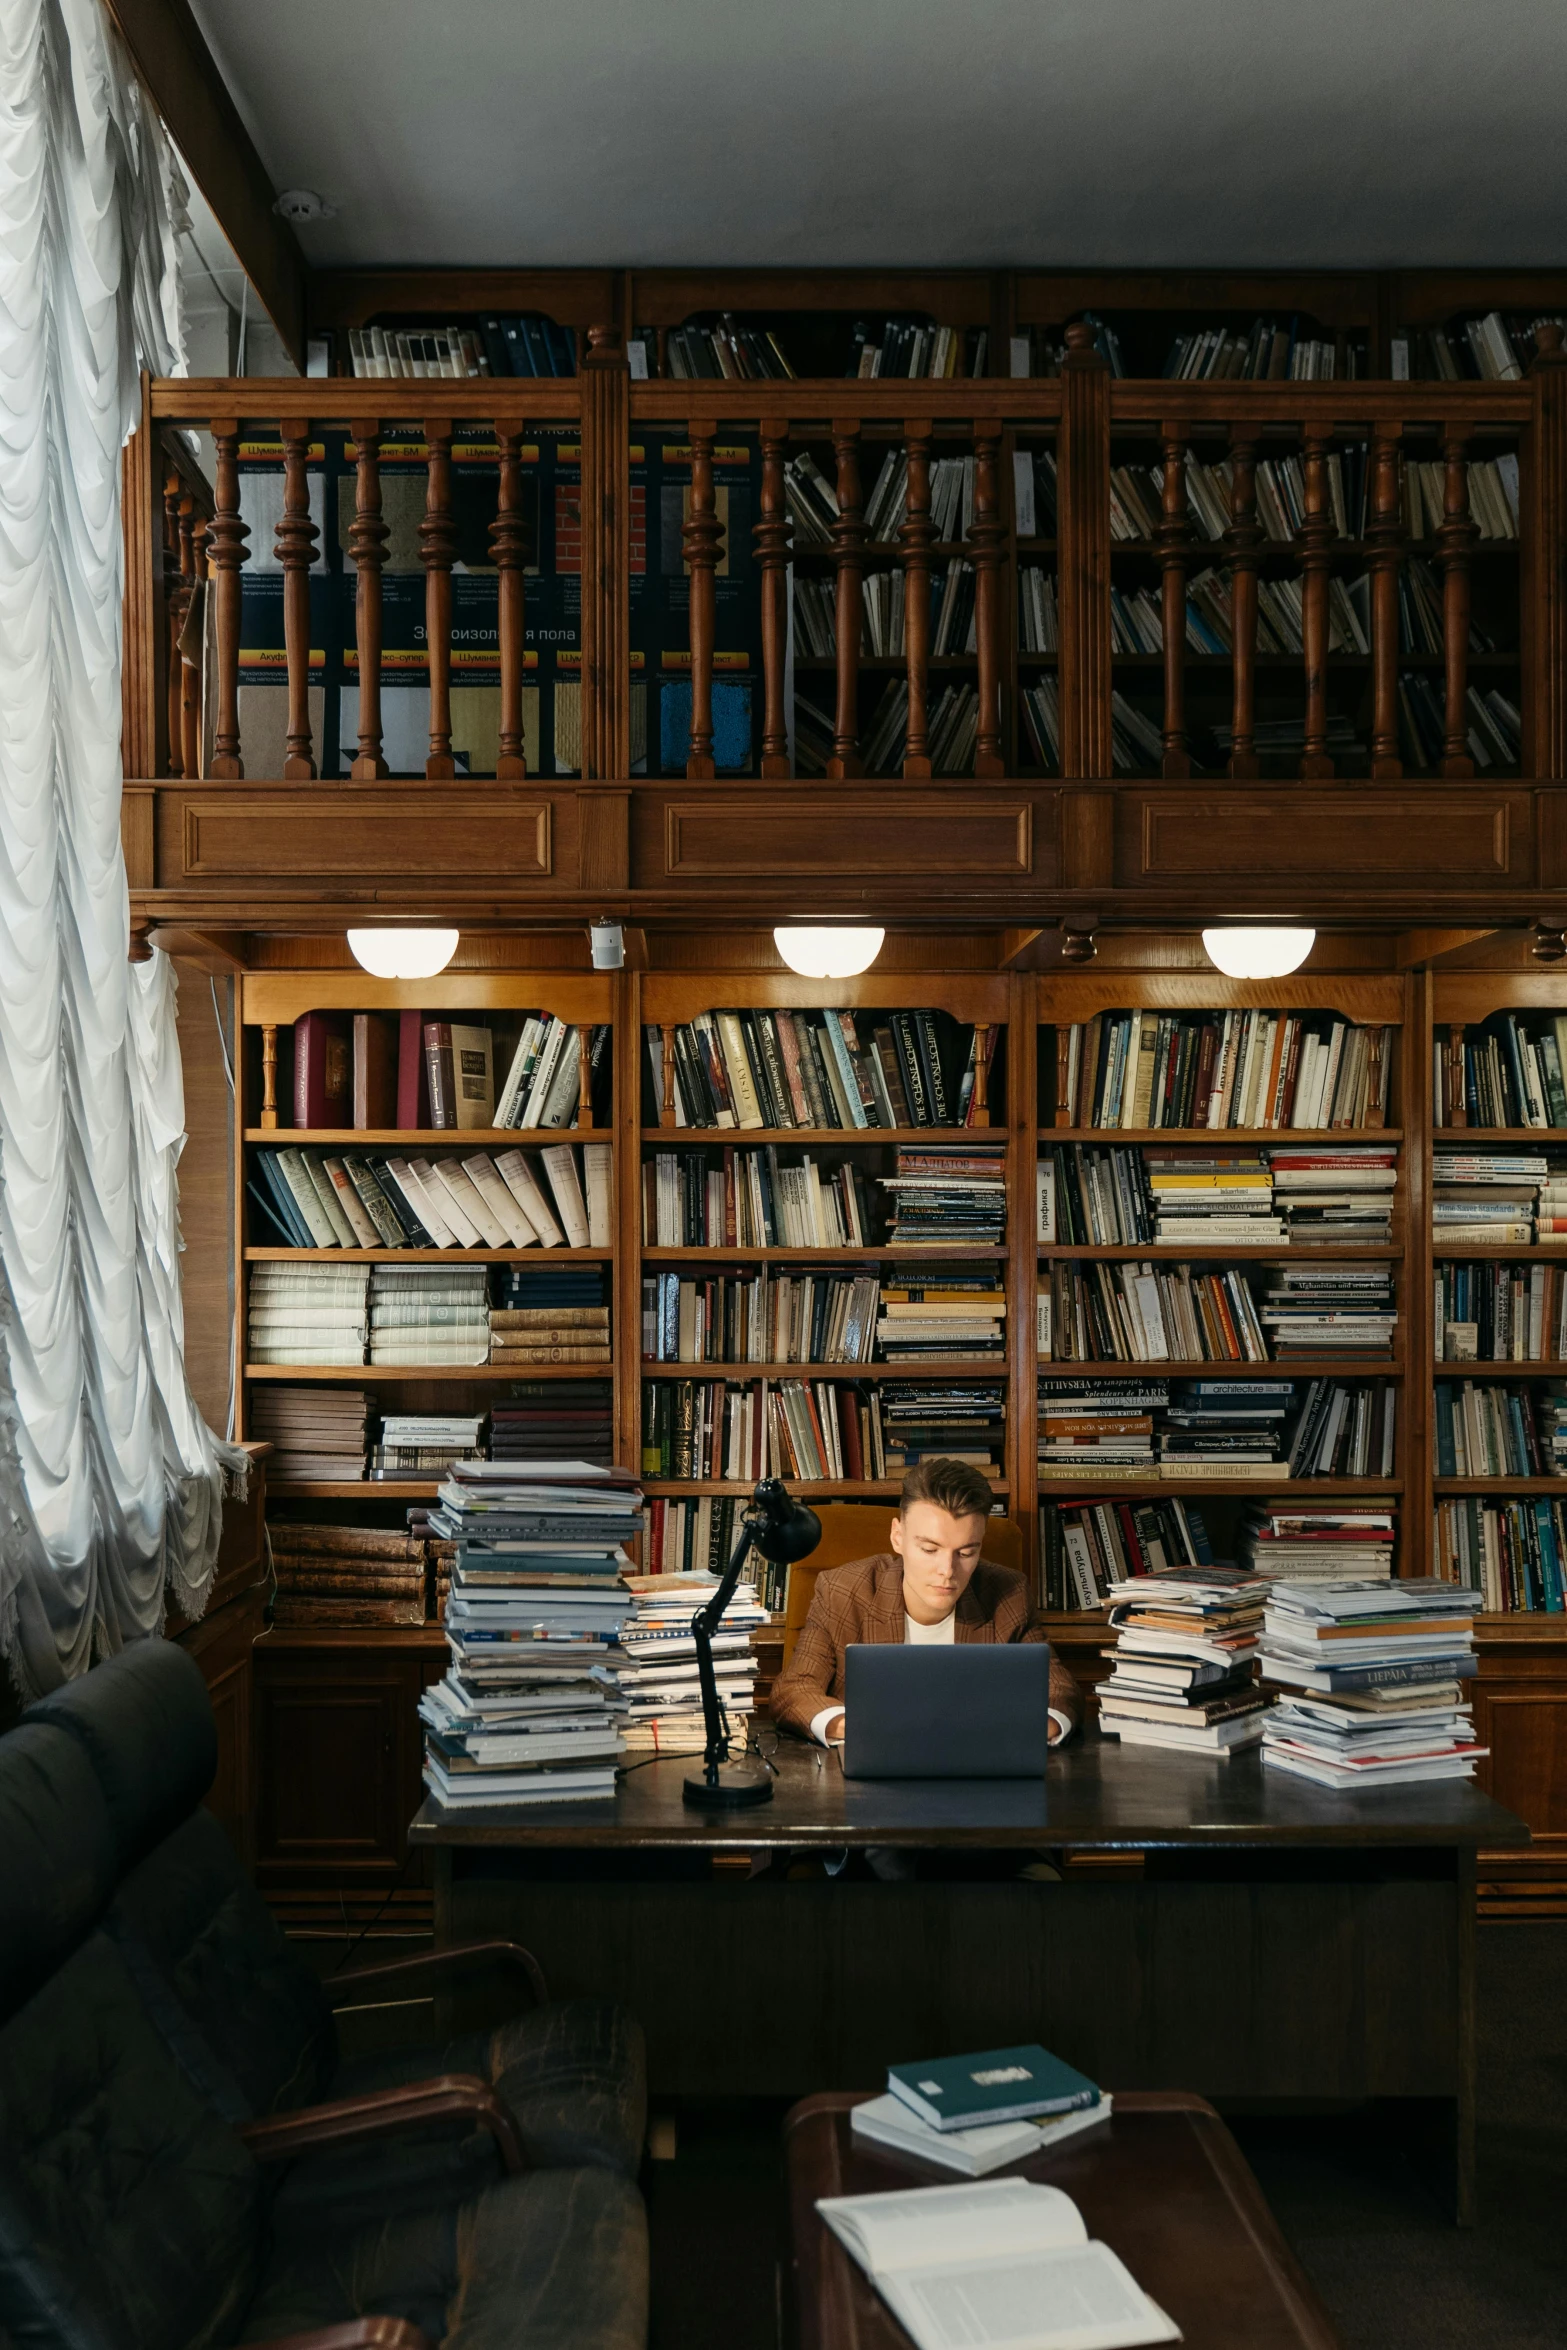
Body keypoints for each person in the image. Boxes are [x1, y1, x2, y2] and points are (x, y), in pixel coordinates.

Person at [771, 1456, 1081, 1749]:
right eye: (930, 1549)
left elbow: (1059, 1691)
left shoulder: (1009, 1594)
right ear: (898, 1536)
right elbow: (794, 1689)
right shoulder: (842, 1591)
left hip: (975, 1781)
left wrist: (1032, 1726)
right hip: (872, 1779)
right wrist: (861, 1727)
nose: (947, 1571)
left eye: (966, 1552)